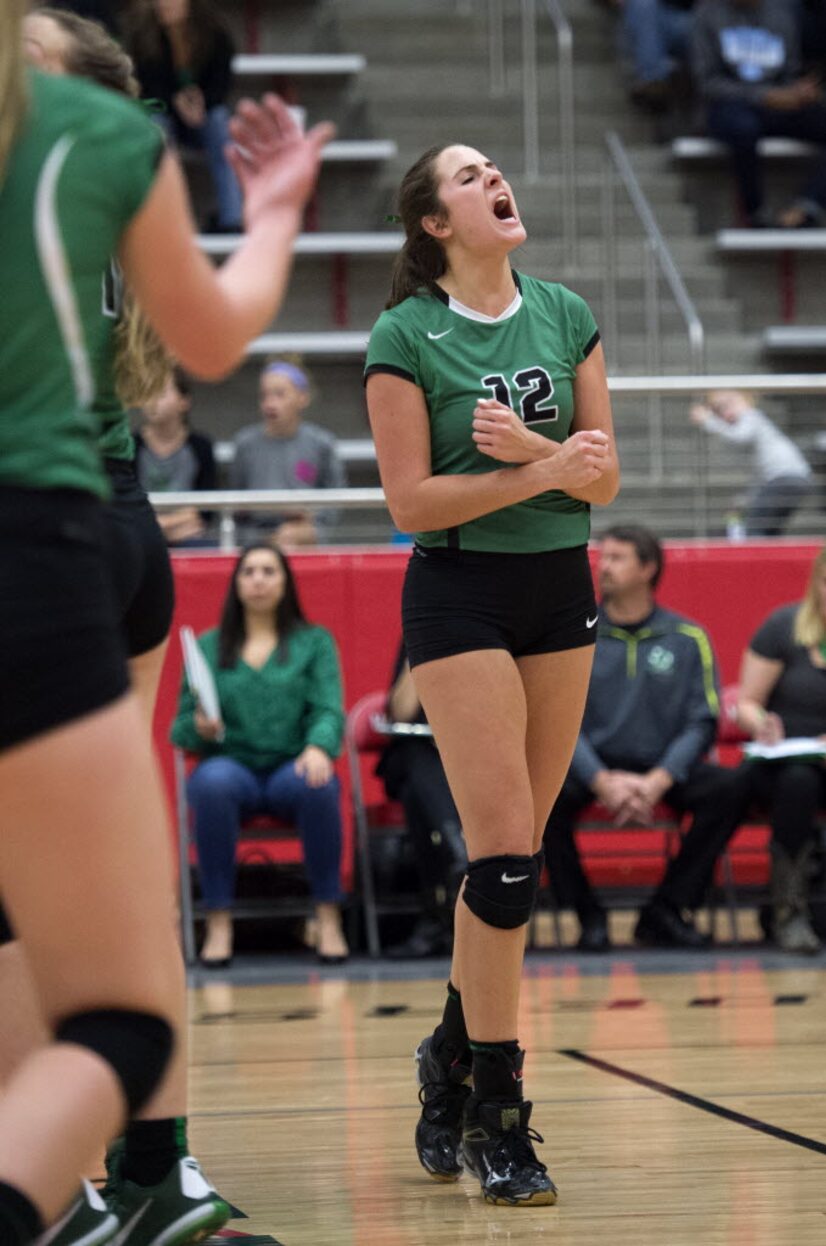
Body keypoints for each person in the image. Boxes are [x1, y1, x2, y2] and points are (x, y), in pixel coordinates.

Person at [0, 0, 333, 1235]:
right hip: (67, 542)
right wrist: (281, 208)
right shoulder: (101, 135)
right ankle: (115, 1177)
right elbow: (215, 328)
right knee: (99, 924)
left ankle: (116, 1179)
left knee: (67, 900)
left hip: (84, 535)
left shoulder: (90, 132)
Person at [365, 142, 619, 1205]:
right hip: (459, 593)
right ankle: (498, 1117)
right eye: (467, 176)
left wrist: (539, 460)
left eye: (492, 169)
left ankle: (446, 1053)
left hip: (559, 592)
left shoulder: (562, 311)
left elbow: (602, 479)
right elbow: (410, 504)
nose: (493, 180)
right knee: (506, 857)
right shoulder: (404, 334)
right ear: (433, 223)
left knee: (506, 874)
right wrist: (539, 466)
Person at [542, 526, 752, 952]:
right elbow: (559, 720)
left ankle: (667, 909)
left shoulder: (688, 638)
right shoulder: (572, 634)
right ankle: (587, 914)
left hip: (662, 765)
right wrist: (601, 781)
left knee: (731, 788)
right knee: (540, 799)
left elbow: (701, 722)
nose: (603, 566)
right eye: (603, 557)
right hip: (592, 765)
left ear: (648, 569)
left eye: (617, 558)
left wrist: (659, 780)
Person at [170, 544, 349, 966]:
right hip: (231, 765)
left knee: (318, 785)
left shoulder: (314, 642)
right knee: (212, 783)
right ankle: (218, 921)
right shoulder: (210, 647)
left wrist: (318, 747)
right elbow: (179, 728)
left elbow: (328, 708)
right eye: (249, 571)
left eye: (269, 570)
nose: (258, 579)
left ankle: (327, 917)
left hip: (292, 764)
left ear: (286, 582)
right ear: (236, 583)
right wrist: (199, 726)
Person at [733, 539, 826, 952]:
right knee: (798, 782)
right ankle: (789, 909)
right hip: (785, 761)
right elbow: (746, 703)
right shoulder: (783, 627)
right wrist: (762, 724)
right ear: (815, 584)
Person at [690, 0, 826, 227]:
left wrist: (798, 90)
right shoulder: (707, 14)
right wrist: (765, 96)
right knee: (744, 128)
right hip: (728, 105)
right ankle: (755, 212)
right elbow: (707, 83)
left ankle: (807, 206)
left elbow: (789, 71)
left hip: (777, 106)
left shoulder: (781, 15)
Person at [376, 641, 467, 958]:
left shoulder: (491, 635)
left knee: (417, 798)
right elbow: (401, 712)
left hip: (470, 758)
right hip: (418, 755)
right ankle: (461, 852)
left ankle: (433, 918)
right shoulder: (418, 635)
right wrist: (422, 647)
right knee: (418, 765)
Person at [122, 0, 243, 232]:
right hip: (166, 112)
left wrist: (201, 103)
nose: (163, 4)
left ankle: (232, 218)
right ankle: (166, 219)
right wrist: (175, 102)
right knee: (156, 125)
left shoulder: (215, 34)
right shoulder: (143, 34)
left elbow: (222, 82)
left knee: (219, 121)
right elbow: (144, 87)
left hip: (202, 114)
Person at [230, 358, 346, 547]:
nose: (270, 403)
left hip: (305, 534)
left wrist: (310, 521)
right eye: (264, 395)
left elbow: (334, 499)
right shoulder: (245, 444)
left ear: (302, 397)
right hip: (257, 537)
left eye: (279, 394)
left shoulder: (321, 443)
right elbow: (237, 504)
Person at [689, 389, 813, 536]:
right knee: (767, 528)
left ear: (742, 400)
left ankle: (760, 556)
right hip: (788, 480)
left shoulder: (750, 416)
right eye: (718, 410)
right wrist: (747, 498)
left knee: (754, 527)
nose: (723, 413)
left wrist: (708, 421)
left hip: (786, 479)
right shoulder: (750, 421)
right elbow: (760, 473)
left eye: (726, 405)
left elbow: (739, 436)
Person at [135, 366, 218, 546]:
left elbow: (205, 512)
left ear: (184, 401)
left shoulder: (201, 447)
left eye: (161, 392)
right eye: (147, 391)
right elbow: (126, 506)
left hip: (189, 538)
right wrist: (162, 528)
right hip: (141, 536)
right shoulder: (131, 445)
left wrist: (156, 527)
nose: (152, 400)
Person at [620, 0, 697, 113]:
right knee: (641, 5)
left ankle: (661, 72)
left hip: (699, 17)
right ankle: (654, 81)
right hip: (662, 17)